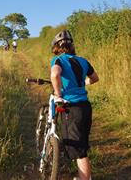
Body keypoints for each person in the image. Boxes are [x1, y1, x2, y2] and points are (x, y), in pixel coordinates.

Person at [50, 30, 99, 180]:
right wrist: (82, 84)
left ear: (56, 47)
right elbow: (95, 78)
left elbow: (55, 75)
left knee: (79, 151)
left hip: (71, 108)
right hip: (85, 106)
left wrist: (58, 94)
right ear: (72, 46)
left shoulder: (58, 60)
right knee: (82, 145)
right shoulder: (83, 61)